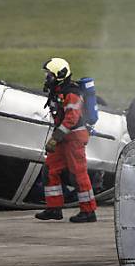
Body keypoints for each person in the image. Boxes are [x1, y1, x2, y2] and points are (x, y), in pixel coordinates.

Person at [35, 58, 97, 223]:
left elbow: (72, 119)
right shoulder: (59, 91)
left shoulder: (71, 94)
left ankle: (89, 211)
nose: (46, 78)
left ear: (59, 75)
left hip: (74, 139)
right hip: (64, 139)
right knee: (50, 170)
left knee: (78, 174)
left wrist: (55, 138)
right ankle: (54, 208)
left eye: (49, 75)